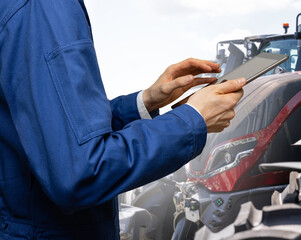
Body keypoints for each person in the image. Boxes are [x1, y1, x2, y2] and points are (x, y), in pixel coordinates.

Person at [0, 0, 245, 239]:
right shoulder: (44, 8)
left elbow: (55, 125)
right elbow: (82, 172)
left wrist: (145, 101)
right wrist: (192, 120)